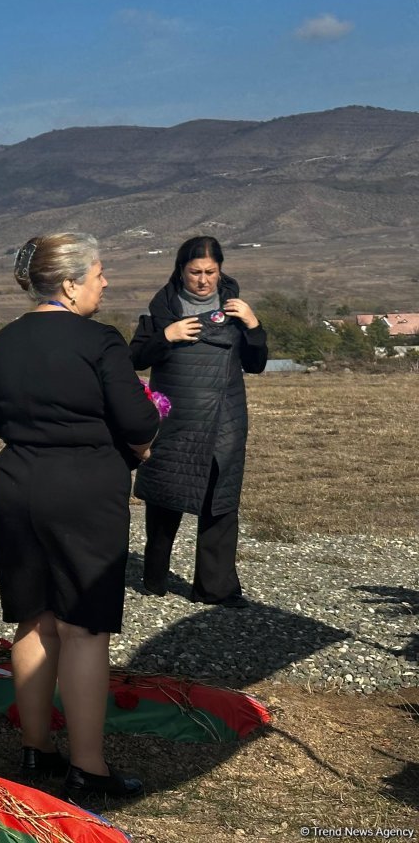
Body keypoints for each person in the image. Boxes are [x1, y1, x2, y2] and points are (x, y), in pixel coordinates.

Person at [0, 233, 158, 801]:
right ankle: (89, 767)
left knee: (34, 617)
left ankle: (36, 749)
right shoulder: (99, 340)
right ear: (70, 282)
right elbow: (137, 421)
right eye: (99, 274)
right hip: (82, 488)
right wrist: (136, 440)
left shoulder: (5, 341)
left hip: (14, 484)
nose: (105, 283)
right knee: (84, 627)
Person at [129, 237, 267, 608]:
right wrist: (166, 337)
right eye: (195, 272)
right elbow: (134, 359)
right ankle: (154, 578)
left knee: (219, 500)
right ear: (180, 271)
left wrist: (254, 326)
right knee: (165, 496)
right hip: (176, 418)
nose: (203, 280)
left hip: (225, 416)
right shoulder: (161, 311)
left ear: (220, 271)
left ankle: (215, 588)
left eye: (211, 272)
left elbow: (256, 364)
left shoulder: (237, 313)